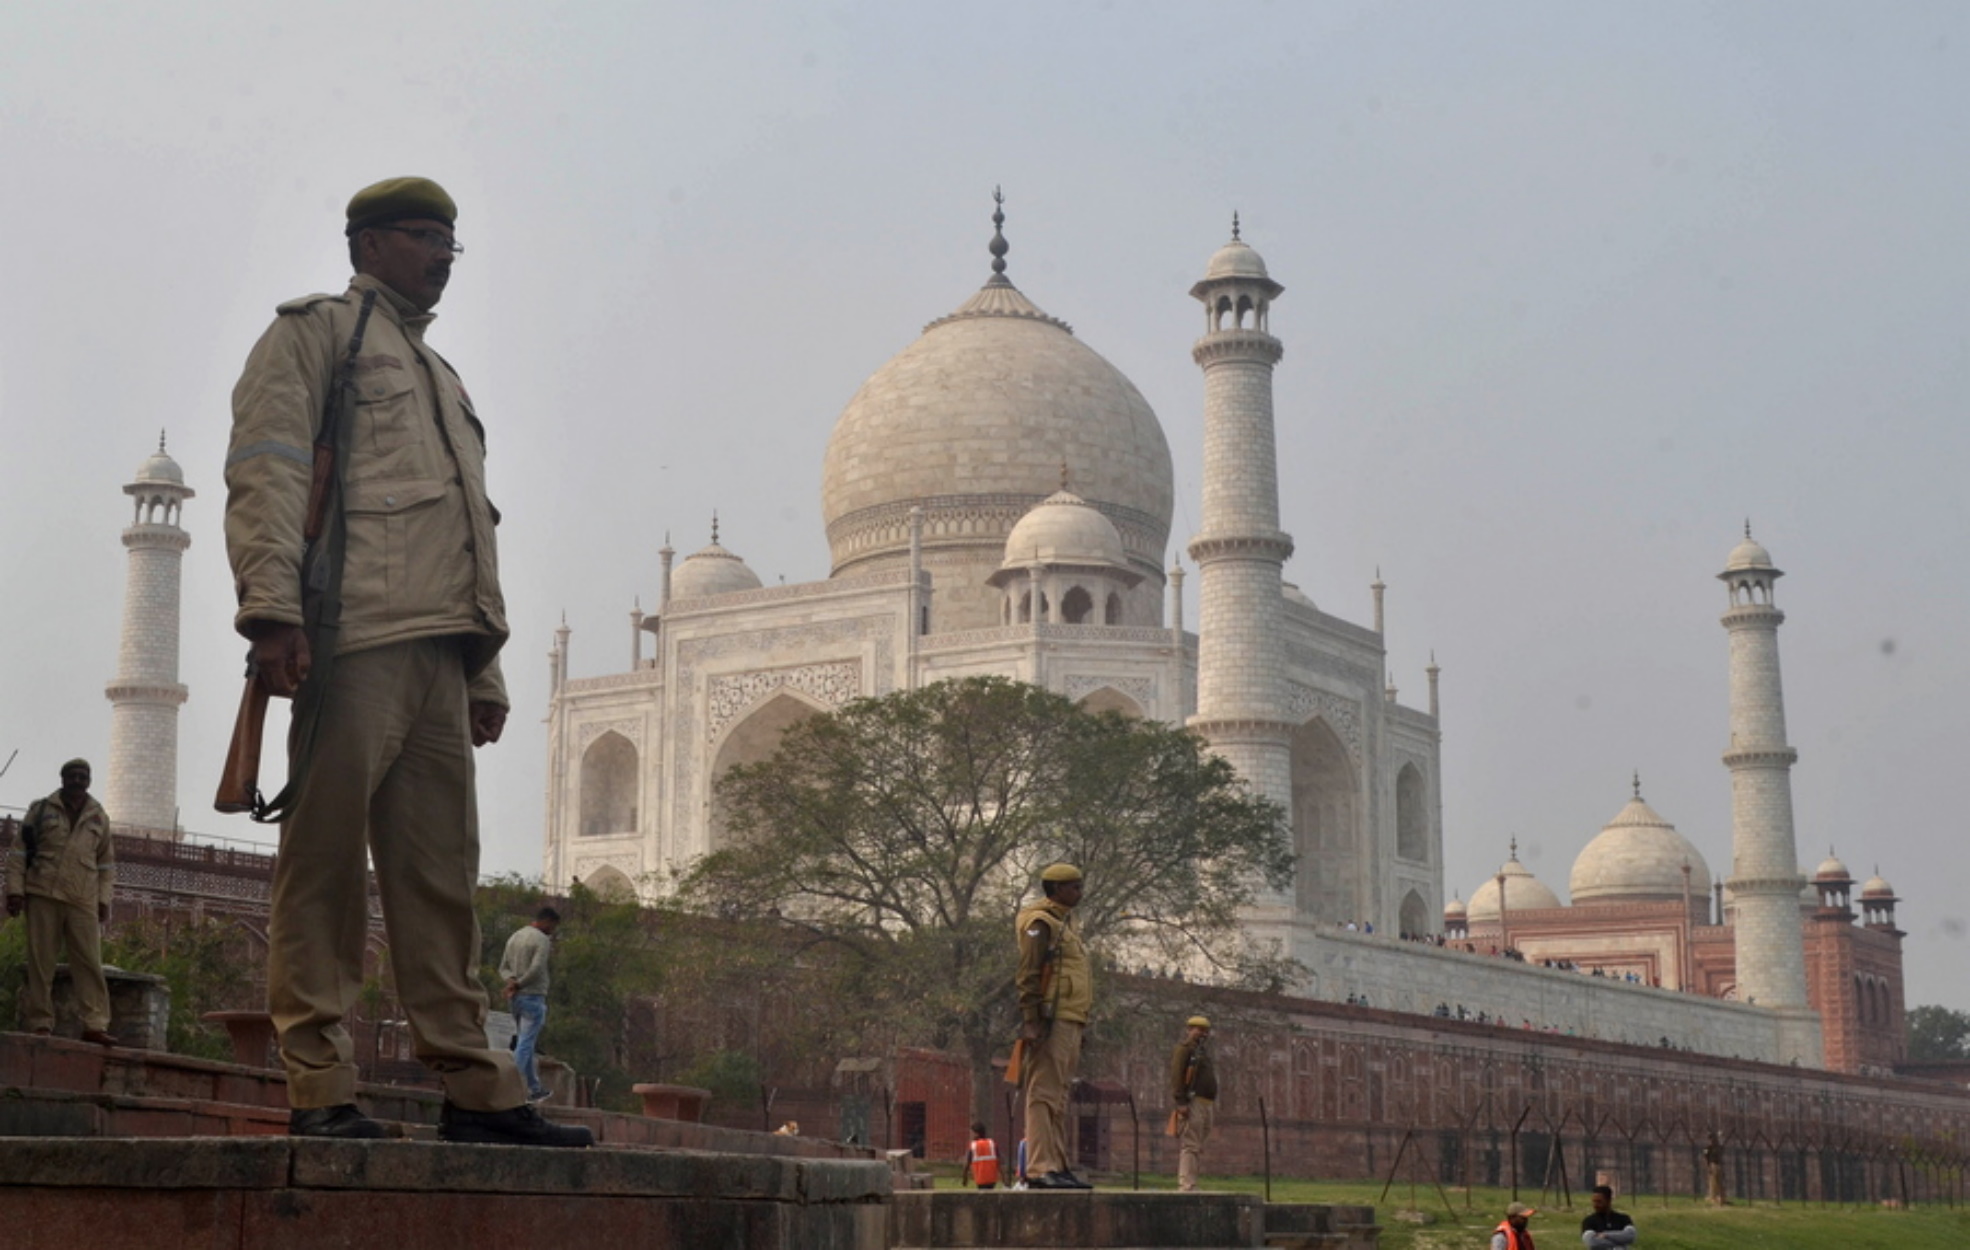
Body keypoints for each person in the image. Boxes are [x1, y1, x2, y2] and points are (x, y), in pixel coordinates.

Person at [225, 176, 588, 1147]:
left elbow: (471, 530)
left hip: (437, 653)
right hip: (351, 635)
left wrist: (484, 669)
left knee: (439, 881)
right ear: (371, 242)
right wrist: (271, 611)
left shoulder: (441, 376)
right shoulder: (316, 338)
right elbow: (268, 470)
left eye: (450, 243)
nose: (441, 257)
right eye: (426, 238)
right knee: (326, 867)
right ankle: (320, 1082)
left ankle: (476, 1088)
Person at [5, 760, 117, 1045]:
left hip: (82, 898)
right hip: (43, 893)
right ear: (63, 778)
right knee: (41, 963)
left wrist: (104, 899)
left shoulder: (98, 817)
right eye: (73, 776)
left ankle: (95, 1023)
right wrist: (15, 891)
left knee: (90, 963)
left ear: (89, 780)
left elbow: (106, 864)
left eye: (83, 776)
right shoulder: (41, 810)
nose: (78, 781)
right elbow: (18, 854)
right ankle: (40, 1021)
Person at [1015, 862, 1092, 1190]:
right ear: (1056, 889)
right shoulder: (1040, 922)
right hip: (1051, 1018)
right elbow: (1029, 973)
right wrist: (1032, 1020)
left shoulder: (1066, 922)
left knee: (1059, 1096)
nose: (1079, 891)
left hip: (1071, 1017)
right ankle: (1039, 1167)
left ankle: (1057, 1166)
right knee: (1043, 1093)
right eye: (1073, 886)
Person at [499, 906, 560, 1102]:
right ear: (547, 922)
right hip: (532, 996)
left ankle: (534, 1088)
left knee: (527, 1043)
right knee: (525, 1043)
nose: (553, 930)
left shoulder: (515, 936)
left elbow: (504, 967)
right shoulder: (542, 940)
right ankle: (507, 1085)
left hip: (516, 998)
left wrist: (511, 982)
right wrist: (519, 983)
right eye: (553, 926)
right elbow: (536, 968)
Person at [1169, 1014, 1217, 1192]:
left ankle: (1192, 1181)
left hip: (1206, 1103)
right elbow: (1176, 1076)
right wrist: (1181, 1102)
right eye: (1198, 1030)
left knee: (1198, 1144)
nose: (1202, 1034)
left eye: (1205, 1031)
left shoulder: (1201, 1052)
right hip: (1192, 1101)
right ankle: (1187, 1184)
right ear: (1189, 1030)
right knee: (1190, 1144)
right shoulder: (1184, 1050)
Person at [962, 1121, 1000, 1189]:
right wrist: (1004, 1178)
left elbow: (967, 1164)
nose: (971, 1135)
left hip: (980, 1178)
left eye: (972, 1133)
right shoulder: (992, 1143)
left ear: (977, 1134)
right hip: (992, 1178)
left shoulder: (973, 1145)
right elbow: (999, 1162)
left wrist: (965, 1178)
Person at [1702, 1131, 1726, 1205]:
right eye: (1710, 1139)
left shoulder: (1717, 1147)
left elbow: (1722, 1149)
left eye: (1712, 1139)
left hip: (1718, 1165)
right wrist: (1708, 1167)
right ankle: (1713, 1197)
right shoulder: (1708, 1148)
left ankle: (1721, 1197)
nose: (1711, 1140)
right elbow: (1705, 1158)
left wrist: (1720, 1136)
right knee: (1713, 1182)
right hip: (1713, 1165)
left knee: (1720, 1182)